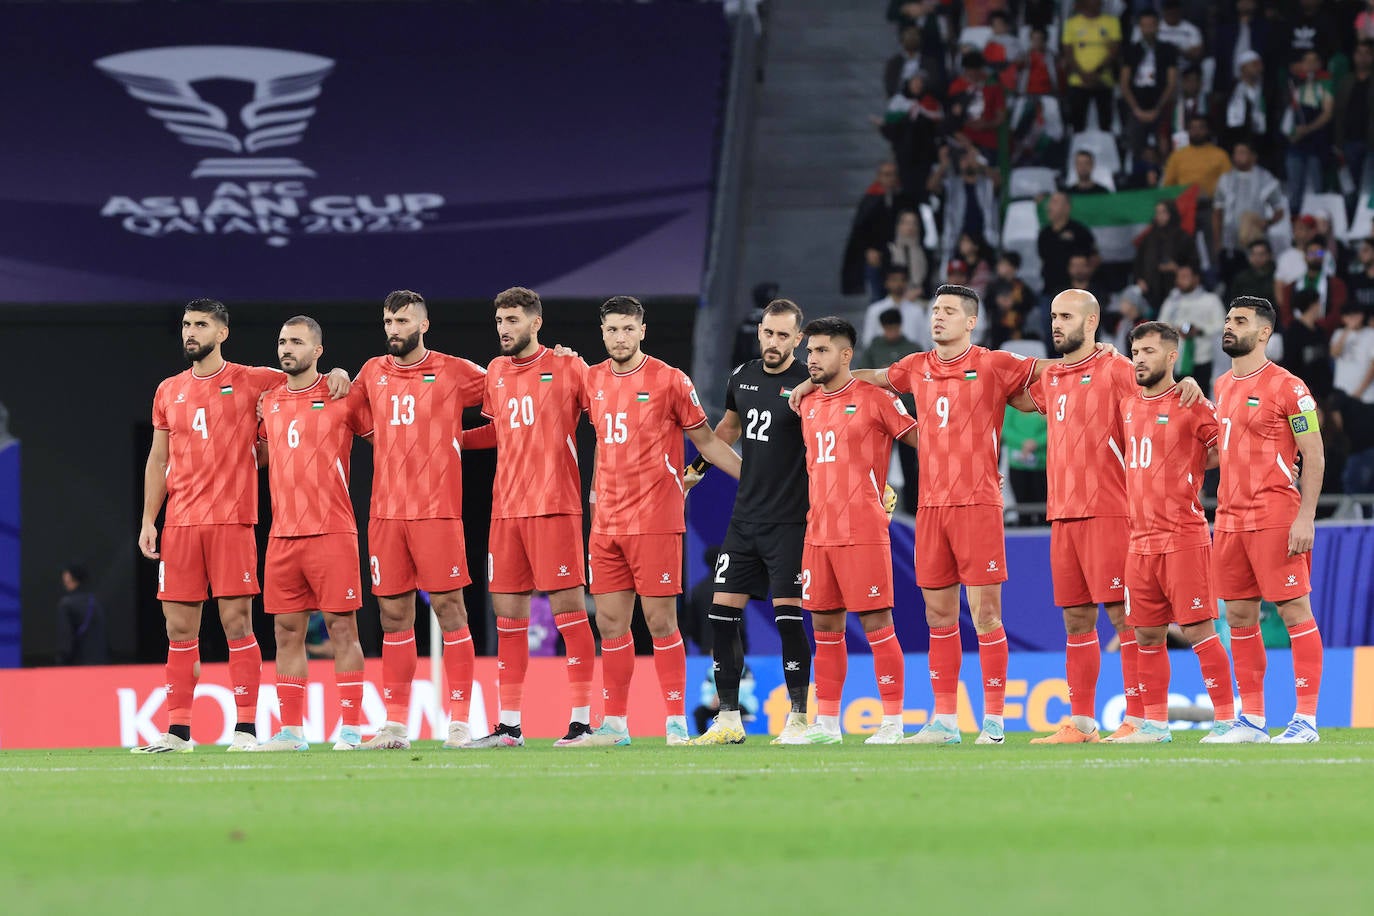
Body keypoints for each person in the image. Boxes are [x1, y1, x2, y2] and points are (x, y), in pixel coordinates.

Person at [794, 286, 1050, 745]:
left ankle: (993, 720)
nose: (938, 317)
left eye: (949, 311)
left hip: (977, 503)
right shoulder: (915, 367)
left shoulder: (994, 363)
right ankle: (946, 721)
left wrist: (1096, 357)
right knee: (938, 615)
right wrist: (816, 380)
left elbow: (1048, 371)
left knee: (986, 612)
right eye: (935, 310)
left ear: (971, 321)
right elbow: (871, 375)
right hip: (930, 506)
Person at [135, 299, 349, 754]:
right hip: (180, 523)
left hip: (233, 520)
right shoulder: (167, 389)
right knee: (178, 629)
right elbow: (158, 460)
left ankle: (246, 730)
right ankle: (178, 732)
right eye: (187, 325)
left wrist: (340, 374)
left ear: (222, 333)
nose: (191, 332)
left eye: (201, 325)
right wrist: (149, 519)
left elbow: (306, 378)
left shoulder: (254, 379)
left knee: (237, 624)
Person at [1020, 291, 1200, 743]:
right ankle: (1081, 723)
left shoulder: (1121, 371)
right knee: (1076, 621)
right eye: (1053, 315)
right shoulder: (1055, 375)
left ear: (1093, 319)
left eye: (1066, 316)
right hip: (1062, 514)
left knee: (1128, 620)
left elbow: (1168, 406)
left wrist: (1188, 386)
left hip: (1112, 511)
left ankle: (1140, 719)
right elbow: (1013, 396)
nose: (1056, 323)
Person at [575, 296, 742, 746]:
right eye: (611, 329)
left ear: (642, 331)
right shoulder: (590, 379)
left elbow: (706, 443)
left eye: (628, 329)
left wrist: (753, 479)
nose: (619, 337)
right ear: (603, 332)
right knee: (610, 625)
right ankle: (614, 725)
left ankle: (673, 723)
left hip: (655, 519)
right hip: (606, 523)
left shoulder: (670, 380)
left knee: (660, 621)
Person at [456, 287, 600, 748]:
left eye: (513, 320)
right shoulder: (496, 370)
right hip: (506, 512)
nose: (504, 328)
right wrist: (450, 439)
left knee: (569, 614)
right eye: (500, 319)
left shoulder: (567, 366)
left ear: (536, 323)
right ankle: (510, 726)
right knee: (509, 617)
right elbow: (499, 430)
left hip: (554, 505)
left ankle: (581, 721)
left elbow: (605, 411)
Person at [351, 290, 488, 751]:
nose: (394, 329)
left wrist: (459, 440)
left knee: (451, 610)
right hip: (385, 514)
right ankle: (394, 726)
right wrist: (332, 375)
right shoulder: (371, 372)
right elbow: (348, 415)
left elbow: (512, 395)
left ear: (424, 324)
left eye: (403, 321)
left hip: (437, 512)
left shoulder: (455, 371)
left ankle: (460, 723)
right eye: (388, 320)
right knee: (393, 616)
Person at [685, 299, 814, 745]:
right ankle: (728, 719)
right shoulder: (741, 377)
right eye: (767, 333)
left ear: (799, 340)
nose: (773, 343)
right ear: (758, 332)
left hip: (791, 521)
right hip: (745, 520)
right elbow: (728, 431)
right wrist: (696, 473)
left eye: (783, 336)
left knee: (788, 619)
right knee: (722, 617)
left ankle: (798, 718)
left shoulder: (811, 383)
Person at [1106, 321, 1238, 743]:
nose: (1140, 359)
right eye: (1136, 351)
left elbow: (1230, 448)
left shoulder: (1191, 403)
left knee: (1199, 630)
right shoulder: (1127, 405)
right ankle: (1155, 725)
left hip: (1182, 536)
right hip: (1139, 541)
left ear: (1170, 356)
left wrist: (1196, 463)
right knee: (1145, 633)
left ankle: (1227, 720)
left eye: (1148, 351)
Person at [794, 316, 919, 744]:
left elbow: (925, 441)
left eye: (822, 350)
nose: (812, 358)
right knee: (825, 630)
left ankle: (893, 723)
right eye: (810, 350)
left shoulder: (875, 398)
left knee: (877, 624)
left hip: (862, 528)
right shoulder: (805, 403)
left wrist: (976, 465)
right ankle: (827, 725)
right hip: (818, 533)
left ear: (847, 355)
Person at [250, 316, 369, 752]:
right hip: (283, 535)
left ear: (318, 350)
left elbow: (386, 437)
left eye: (297, 342)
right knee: (285, 633)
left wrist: (344, 374)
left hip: (332, 531)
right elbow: (261, 456)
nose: (286, 348)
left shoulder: (342, 394)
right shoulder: (270, 401)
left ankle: (352, 729)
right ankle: (292, 732)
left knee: (342, 630)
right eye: (282, 341)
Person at [1212, 297, 1327, 743]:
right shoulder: (1221, 385)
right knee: (1239, 615)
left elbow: (1313, 456)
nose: (1229, 326)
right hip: (1228, 520)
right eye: (1227, 319)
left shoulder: (1289, 387)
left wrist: (1306, 517)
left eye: (1239, 321)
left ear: (1263, 333)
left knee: (1295, 611)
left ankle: (1306, 720)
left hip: (1275, 516)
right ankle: (1253, 720)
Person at [860, 308, 921, 515]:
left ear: (900, 326)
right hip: (878, 416)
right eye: (887, 328)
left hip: (907, 413)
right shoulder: (874, 348)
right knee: (874, 462)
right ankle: (875, 504)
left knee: (910, 465)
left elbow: (919, 383)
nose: (890, 332)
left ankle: (914, 508)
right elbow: (862, 379)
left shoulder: (912, 349)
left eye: (893, 328)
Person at [1212, 140, 1287, 285]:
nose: (1238, 157)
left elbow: (1279, 209)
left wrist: (1267, 223)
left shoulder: (1266, 179)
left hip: (1255, 243)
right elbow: (1217, 212)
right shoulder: (1225, 179)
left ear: (1253, 156)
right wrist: (1217, 243)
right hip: (1230, 243)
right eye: (1236, 153)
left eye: (1243, 152)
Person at [842, 162, 918, 298]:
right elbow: (860, 230)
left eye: (894, 174)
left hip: (903, 255)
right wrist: (868, 250)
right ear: (879, 177)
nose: (891, 178)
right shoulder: (871, 200)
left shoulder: (906, 200)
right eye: (886, 175)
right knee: (878, 296)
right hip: (879, 257)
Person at [1120, 8, 1179, 156]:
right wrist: (1136, 109)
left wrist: (1158, 108)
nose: (1148, 29)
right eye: (1144, 25)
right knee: (1135, 147)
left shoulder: (1168, 50)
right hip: (1137, 105)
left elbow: (1171, 82)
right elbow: (1124, 83)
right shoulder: (1131, 50)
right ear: (1139, 27)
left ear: (1158, 26)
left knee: (1164, 145)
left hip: (1160, 103)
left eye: (1151, 25)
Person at [1159, 263, 1226, 393]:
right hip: (1178, 359)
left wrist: (1199, 331)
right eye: (1179, 277)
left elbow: (1221, 325)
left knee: (1202, 398)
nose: (1180, 281)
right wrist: (1175, 330)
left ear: (1196, 278)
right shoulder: (1172, 302)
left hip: (1203, 357)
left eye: (1185, 277)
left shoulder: (1211, 300)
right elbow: (1161, 324)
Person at [1283, 50, 1335, 216]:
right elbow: (1289, 115)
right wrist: (1293, 134)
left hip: (1316, 144)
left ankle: (1319, 225)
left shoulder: (1326, 83)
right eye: (1307, 61)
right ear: (1302, 65)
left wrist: (1308, 129)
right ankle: (1295, 227)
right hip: (1297, 145)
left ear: (1320, 64)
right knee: (1295, 190)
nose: (1311, 64)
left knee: (1317, 189)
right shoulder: (1296, 85)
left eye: (1314, 61)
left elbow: (1327, 113)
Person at [1061, 0, 1121, 132]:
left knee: (1105, 124)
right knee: (1077, 124)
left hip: (1104, 80)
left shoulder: (1111, 22)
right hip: (1078, 81)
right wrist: (1082, 74)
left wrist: (1097, 73)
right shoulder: (1071, 23)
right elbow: (1068, 52)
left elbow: (1114, 51)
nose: (1097, 2)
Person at [1134, 199, 1196, 313]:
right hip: (1151, 292)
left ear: (1171, 213)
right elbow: (1138, 262)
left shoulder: (1183, 238)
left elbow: (1193, 265)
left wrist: (1176, 268)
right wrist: (1140, 279)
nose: (1160, 216)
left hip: (1176, 292)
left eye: (1163, 212)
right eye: (1158, 213)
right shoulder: (1149, 238)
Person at [1037, 192, 1098, 304]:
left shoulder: (1080, 231)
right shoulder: (1044, 234)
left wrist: (1083, 280)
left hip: (1076, 294)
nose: (1049, 206)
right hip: (1050, 292)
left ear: (1067, 208)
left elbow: (1094, 258)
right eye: (1049, 202)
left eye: (1055, 202)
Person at [1276, 240, 1349, 333]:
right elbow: (1286, 315)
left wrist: (1316, 327)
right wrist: (1299, 327)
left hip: (1326, 333)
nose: (1315, 256)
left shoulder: (1337, 285)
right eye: (1311, 253)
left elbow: (1337, 314)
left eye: (1319, 253)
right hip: (1296, 333)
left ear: (1324, 257)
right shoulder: (1290, 287)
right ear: (1304, 257)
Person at [55, 564, 107, 666]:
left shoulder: (66, 604)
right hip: (98, 662)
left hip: (77, 664)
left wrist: (61, 661)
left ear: (69, 577)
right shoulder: (95, 601)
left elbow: (65, 640)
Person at [1229, 238, 1278, 304]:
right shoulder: (1241, 279)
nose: (1257, 258)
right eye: (1254, 254)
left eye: (1261, 254)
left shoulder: (1277, 277)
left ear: (1269, 255)